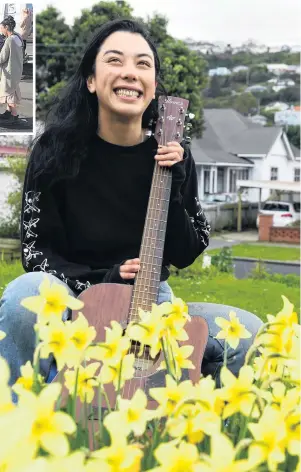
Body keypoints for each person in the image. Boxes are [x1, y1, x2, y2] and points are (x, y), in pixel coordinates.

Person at [0, 19, 261, 390]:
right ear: (91, 80)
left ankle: (177, 410)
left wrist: (172, 180)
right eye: (115, 61)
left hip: (149, 304)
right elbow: (36, 253)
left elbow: (188, 249)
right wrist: (103, 281)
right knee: (26, 292)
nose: (130, 73)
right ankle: (17, 416)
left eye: (142, 64)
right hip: (73, 297)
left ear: (154, 87)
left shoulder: (172, 155)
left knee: (249, 333)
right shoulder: (54, 152)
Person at [0, 16, 23, 123]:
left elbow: (2, 57)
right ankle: (8, 112)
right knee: (12, 91)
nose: (1, 31)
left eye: (1, 28)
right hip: (17, 69)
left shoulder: (9, 40)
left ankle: (14, 115)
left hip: (9, 71)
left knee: (8, 92)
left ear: (6, 27)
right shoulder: (18, 37)